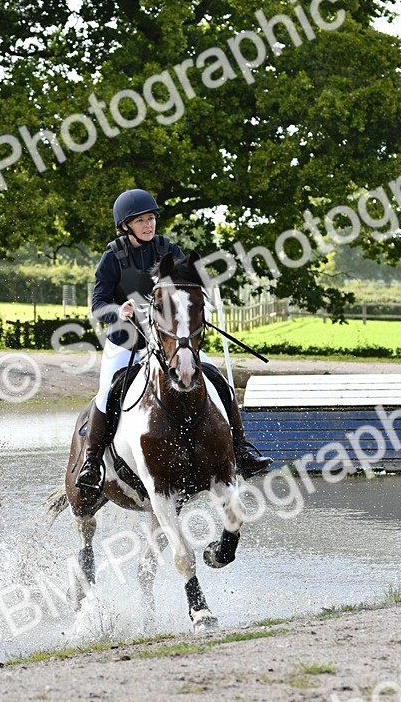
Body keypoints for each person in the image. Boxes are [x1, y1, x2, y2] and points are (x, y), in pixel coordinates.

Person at [75, 188, 272, 496]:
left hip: (171, 340)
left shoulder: (169, 249)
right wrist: (118, 309)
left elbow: (186, 286)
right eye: (140, 220)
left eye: (151, 218)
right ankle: (91, 461)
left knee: (218, 381)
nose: (148, 225)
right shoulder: (112, 257)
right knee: (106, 394)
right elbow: (98, 304)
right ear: (125, 225)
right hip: (126, 341)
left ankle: (241, 449)